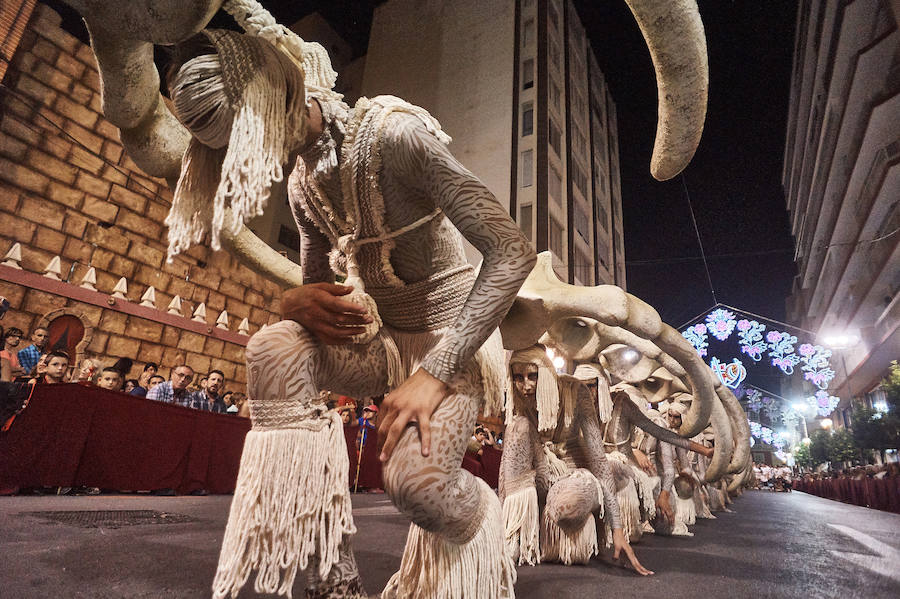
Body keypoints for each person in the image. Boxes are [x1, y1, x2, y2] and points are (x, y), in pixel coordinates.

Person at [165, 24, 532, 598]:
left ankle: (484, 528)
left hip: (449, 339)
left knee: (417, 490)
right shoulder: (302, 183)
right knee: (273, 346)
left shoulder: (397, 136)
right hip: (381, 339)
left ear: (276, 98)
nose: (249, 161)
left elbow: (512, 252)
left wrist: (433, 375)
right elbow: (317, 303)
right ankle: (333, 580)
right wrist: (287, 302)